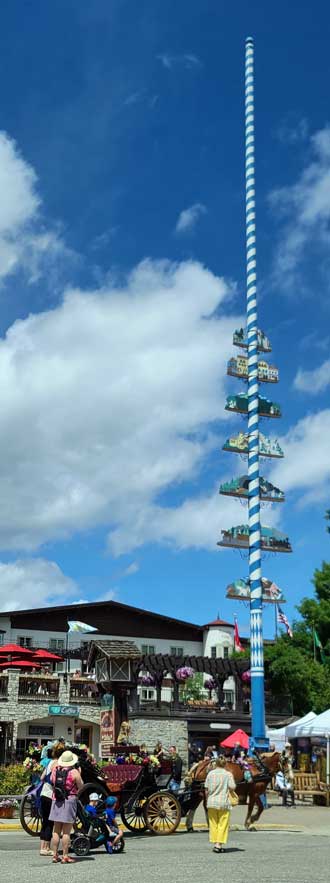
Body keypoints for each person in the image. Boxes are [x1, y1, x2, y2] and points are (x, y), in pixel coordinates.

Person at [49, 749, 83, 863]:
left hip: (56, 800)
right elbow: (81, 786)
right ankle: (65, 856)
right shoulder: (74, 772)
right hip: (69, 801)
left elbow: (51, 781)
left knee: (56, 831)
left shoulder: (55, 770)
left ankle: (54, 855)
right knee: (67, 832)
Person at [205, 755, 236, 853]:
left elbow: (206, 789)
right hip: (223, 802)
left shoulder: (210, 774)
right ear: (225, 764)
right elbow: (232, 787)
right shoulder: (228, 774)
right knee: (223, 824)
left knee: (213, 824)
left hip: (211, 802)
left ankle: (215, 843)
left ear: (216, 763)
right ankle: (219, 844)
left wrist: (207, 800)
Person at [39, 742, 63, 857]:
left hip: (44, 792)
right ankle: (47, 848)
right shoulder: (59, 764)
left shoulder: (49, 762)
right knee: (50, 822)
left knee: (45, 821)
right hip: (51, 794)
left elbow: (42, 777)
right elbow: (56, 780)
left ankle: (42, 847)